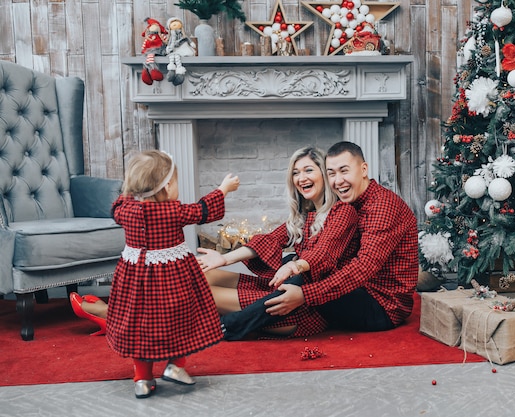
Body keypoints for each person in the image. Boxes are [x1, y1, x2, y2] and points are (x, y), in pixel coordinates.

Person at [75, 149, 239, 399]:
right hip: (173, 278)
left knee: (139, 325)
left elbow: (117, 204)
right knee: (181, 319)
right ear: (167, 186)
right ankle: (175, 366)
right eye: (176, 183)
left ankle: (142, 378)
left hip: (135, 279)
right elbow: (205, 210)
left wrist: (131, 190)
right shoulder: (174, 211)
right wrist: (223, 189)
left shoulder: (125, 210)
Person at [217, 141, 419, 335]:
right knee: (293, 263)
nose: (338, 181)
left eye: (344, 171)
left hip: (382, 304)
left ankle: (231, 325)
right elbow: (279, 237)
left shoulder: (382, 206)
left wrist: (305, 294)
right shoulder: (344, 203)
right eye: (331, 173)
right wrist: (224, 259)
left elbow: (362, 268)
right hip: (356, 287)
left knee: (307, 275)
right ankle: (248, 306)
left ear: (364, 169)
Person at [197, 146, 359, 339]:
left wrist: (293, 265)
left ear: (325, 175)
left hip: (301, 308)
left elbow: (322, 254)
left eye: (308, 170)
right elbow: (270, 240)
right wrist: (223, 259)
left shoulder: (343, 212)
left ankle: (213, 325)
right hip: (281, 289)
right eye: (295, 173)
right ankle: (208, 319)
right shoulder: (305, 216)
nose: (301, 178)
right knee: (202, 276)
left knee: (194, 291)